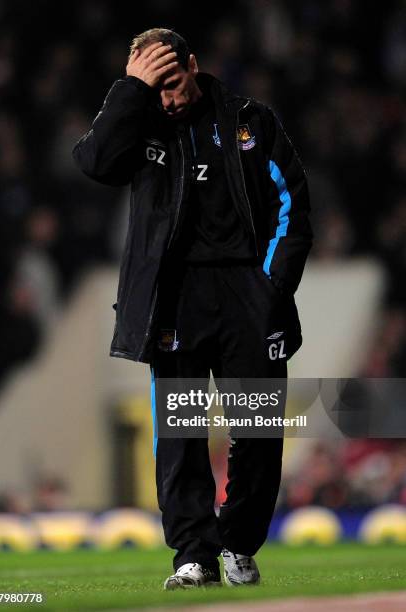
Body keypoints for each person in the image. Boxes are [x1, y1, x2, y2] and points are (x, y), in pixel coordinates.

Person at [73, 28, 313, 589]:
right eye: (157, 89)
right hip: (175, 298)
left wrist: (272, 286)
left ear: (194, 65)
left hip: (246, 295)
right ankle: (193, 556)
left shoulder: (248, 119)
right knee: (179, 435)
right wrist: (131, 91)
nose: (171, 99)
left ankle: (237, 543)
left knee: (257, 430)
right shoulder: (141, 122)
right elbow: (95, 160)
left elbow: (292, 203)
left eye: (175, 83)